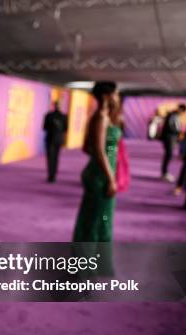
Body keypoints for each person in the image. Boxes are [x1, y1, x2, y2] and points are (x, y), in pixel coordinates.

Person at [73, 81, 121, 243]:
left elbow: (87, 148)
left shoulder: (102, 117)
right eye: (115, 94)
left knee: (97, 218)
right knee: (99, 220)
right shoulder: (101, 117)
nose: (117, 97)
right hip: (101, 176)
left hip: (98, 172)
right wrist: (111, 178)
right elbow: (99, 151)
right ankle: (89, 264)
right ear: (106, 96)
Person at [160, 104, 186, 182]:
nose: (182, 113)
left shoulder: (174, 115)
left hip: (171, 138)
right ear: (180, 109)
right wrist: (179, 132)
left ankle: (164, 172)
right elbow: (171, 127)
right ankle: (164, 173)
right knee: (168, 155)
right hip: (169, 138)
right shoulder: (173, 115)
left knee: (169, 155)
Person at [43, 101, 68, 182]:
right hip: (58, 139)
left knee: (50, 158)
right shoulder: (64, 116)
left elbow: (44, 127)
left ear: (53, 106)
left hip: (50, 139)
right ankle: (53, 175)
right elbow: (65, 129)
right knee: (56, 157)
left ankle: (51, 175)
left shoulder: (48, 115)